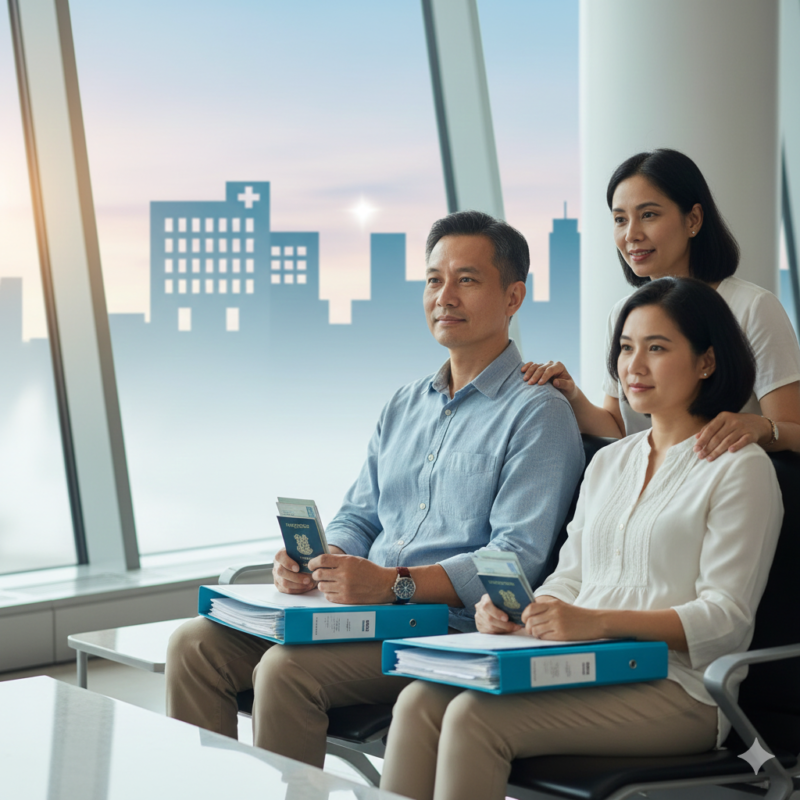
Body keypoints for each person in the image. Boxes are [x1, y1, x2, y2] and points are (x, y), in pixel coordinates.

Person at [165, 210, 584, 768]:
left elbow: (515, 558)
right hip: (359, 612)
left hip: (446, 630)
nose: (445, 296)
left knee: (286, 670)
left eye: (467, 279)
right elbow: (359, 516)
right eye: (434, 280)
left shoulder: (538, 413)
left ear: (513, 298)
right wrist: (324, 558)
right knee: (194, 646)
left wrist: (396, 585)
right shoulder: (405, 403)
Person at [380, 276, 784, 800]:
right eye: (625, 348)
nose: (634, 367)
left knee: (475, 718)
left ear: (707, 361)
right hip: (581, 664)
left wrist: (595, 621)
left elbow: (726, 621)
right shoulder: (611, 461)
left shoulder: (739, 470)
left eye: (657, 349)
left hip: (678, 691)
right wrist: (525, 612)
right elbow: (570, 577)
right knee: (419, 701)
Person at [522, 148, 800, 461]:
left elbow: (794, 427)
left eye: (649, 215)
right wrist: (570, 394)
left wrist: (761, 427)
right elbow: (622, 427)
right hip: (650, 483)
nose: (631, 235)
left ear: (693, 219)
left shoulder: (752, 307)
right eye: (620, 219)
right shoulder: (624, 314)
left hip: (728, 484)